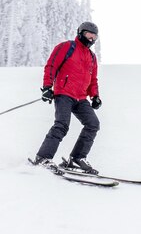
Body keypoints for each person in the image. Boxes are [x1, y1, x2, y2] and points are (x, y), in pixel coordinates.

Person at [34, 21, 102, 174]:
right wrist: (47, 87)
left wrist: (95, 96)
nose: (90, 39)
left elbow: (93, 79)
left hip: (81, 98)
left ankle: (77, 158)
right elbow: (51, 65)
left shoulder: (92, 57)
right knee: (62, 125)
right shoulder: (67, 47)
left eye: (94, 37)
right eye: (88, 35)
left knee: (93, 124)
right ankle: (43, 157)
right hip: (64, 94)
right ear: (80, 33)